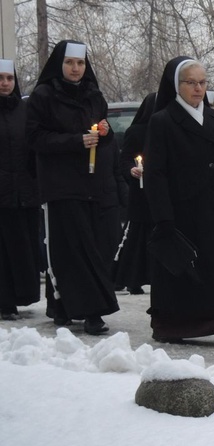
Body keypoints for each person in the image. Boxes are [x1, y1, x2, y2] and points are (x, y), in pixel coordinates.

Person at [143, 56, 214, 346]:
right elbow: (155, 174)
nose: (198, 88)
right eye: (191, 83)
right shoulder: (163, 121)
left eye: (202, 82)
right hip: (183, 211)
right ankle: (175, 324)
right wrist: (163, 217)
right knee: (186, 272)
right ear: (176, 85)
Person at [26, 40, 119, 334]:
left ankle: (66, 306)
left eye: (79, 63)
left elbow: (105, 134)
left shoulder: (94, 95)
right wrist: (76, 141)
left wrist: (103, 133)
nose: (76, 69)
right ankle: (91, 311)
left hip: (93, 184)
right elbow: (36, 139)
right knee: (70, 250)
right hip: (61, 184)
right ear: (59, 65)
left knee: (92, 247)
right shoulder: (43, 96)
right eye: (69, 63)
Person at [0, 59, 40, 321]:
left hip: (24, 192)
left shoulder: (25, 111)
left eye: (9, 79)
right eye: (0, 79)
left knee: (21, 247)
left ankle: (18, 297)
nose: (5, 84)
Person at [114, 92, 157, 295]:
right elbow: (124, 160)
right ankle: (131, 278)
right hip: (140, 193)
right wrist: (132, 170)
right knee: (136, 239)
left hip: (160, 193)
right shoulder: (136, 131)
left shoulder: (167, 129)